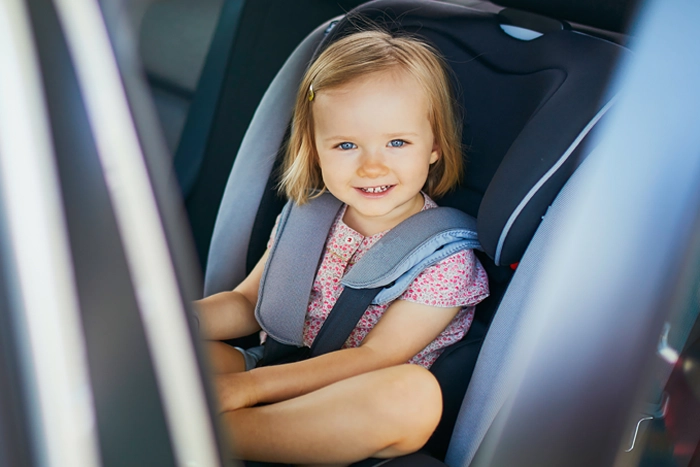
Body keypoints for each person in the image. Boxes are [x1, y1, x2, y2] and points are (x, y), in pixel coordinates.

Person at [195, 29, 489, 465]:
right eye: (347, 145)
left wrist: (248, 389)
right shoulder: (308, 218)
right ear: (315, 151)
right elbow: (246, 302)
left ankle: (215, 434)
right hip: (272, 367)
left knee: (414, 395)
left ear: (435, 148)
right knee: (163, 353)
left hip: (349, 406)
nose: (373, 165)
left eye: (397, 143)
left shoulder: (445, 260)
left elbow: (376, 358)